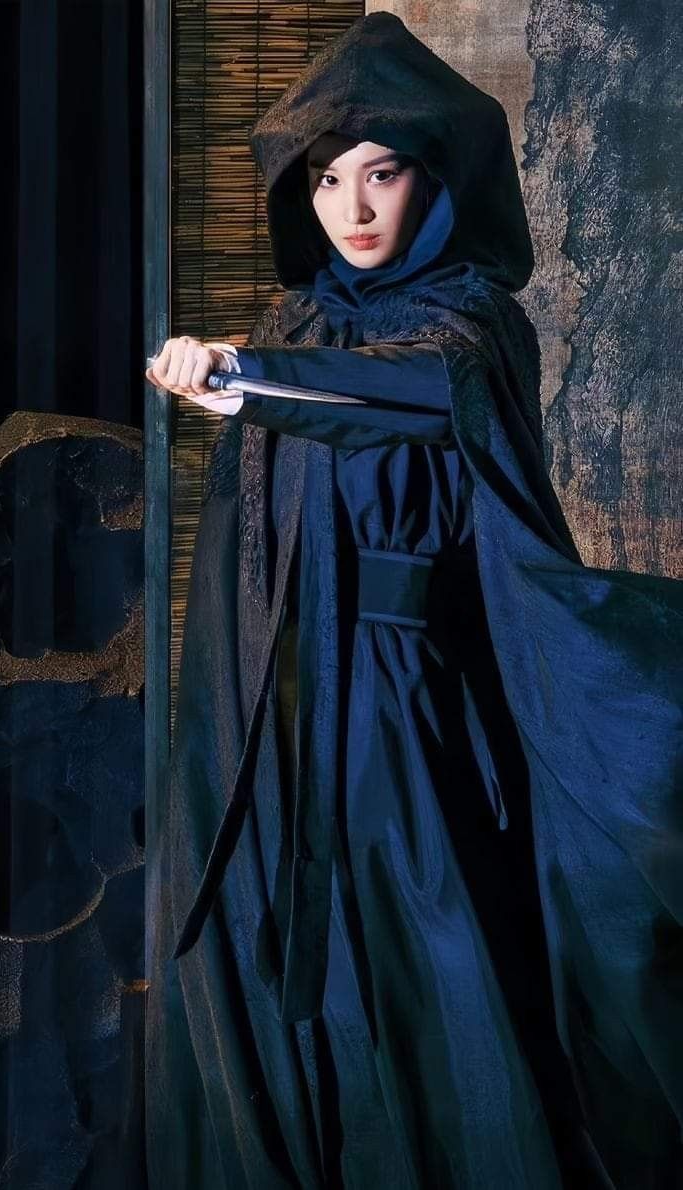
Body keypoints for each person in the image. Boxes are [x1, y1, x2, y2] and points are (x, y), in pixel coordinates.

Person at [145, 13, 683, 1189]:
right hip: (289, 701)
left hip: (411, 703)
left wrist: (246, 376)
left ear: (433, 178)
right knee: (310, 976)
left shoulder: (473, 323)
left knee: (435, 956)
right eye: (327, 179)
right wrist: (257, 363)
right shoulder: (294, 322)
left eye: (381, 173)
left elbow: (413, 391)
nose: (353, 206)